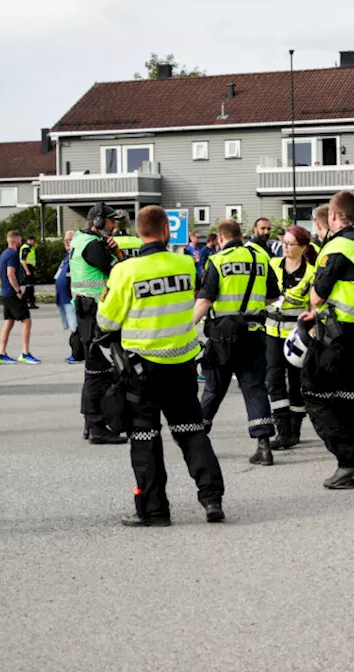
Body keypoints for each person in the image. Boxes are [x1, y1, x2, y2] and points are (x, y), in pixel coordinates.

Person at [97, 205, 225, 526]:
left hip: (142, 369)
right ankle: (211, 500)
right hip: (182, 364)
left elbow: (106, 320)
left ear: (139, 232)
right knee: (192, 432)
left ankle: (154, 512)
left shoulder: (125, 271)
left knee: (145, 439)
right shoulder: (185, 263)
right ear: (166, 229)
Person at [300, 190, 354, 488]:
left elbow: (318, 295)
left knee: (315, 394)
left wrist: (314, 307)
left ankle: (349, 463)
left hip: (337, 337)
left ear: (333, 216)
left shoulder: (337, 248)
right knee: (349, 398)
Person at [193, 219, 280, 466]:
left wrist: (187, 329)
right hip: (253, 332)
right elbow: (273, 296)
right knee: (254, 387)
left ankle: (197, 440)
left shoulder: (217, 261)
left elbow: (205, 300)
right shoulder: (260, 258)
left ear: (220, 239)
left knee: (213, 389)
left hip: (222, 337)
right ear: (241, 235)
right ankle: (264, 447)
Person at [70, 203, 129, 444]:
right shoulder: (93, 245)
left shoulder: (82, 239)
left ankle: (91, 424)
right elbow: (120, 272)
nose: (115, 225)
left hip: (89, 312)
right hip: (94, 313)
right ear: (97, 221)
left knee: (96, 372)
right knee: (98, 372)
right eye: (111, 221)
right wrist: (118, 255)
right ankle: (97, 428)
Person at [264, 224, 317, 450]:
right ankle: (283, 430)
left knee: (297, 383)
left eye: (290, 244)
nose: (285, 248)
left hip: (297, 336)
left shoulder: (312, 273)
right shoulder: (273, 265)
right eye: (283, 243)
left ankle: (295, 427)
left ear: (303, 247)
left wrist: (311, 325)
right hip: (271, 332)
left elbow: (315, 307)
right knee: (274, 381)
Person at [0, 230, 40, 365]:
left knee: (9, 322)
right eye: (20, 239)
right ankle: (25, 353)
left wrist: (4, 288)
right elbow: (10, 274)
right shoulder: (14, 254)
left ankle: (1, 354)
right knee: (26, 320)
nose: (21, 242)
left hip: (5, 294)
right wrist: (18, 291)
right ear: (15, 240)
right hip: (13, 294)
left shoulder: (4, 254)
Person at [56, 230, 81, 364]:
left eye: (69, 240)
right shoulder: (67, 257)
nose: (66, 242)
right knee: (72, 328)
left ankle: (77, 354)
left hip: (71, 299)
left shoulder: (76, 256)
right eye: (65, 240)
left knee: (75, 328)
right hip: (63, 299)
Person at [19, 235, 38, 309]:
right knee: (29, 286)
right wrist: (27, 270)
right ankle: (23, 302)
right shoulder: (26, 248)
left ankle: (32, 303)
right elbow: (23, 260)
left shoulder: (30, 247)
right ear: (30, 240)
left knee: (31, 286)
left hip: (30, 267)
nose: (34, 242)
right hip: (27, 267)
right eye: (33, 240)